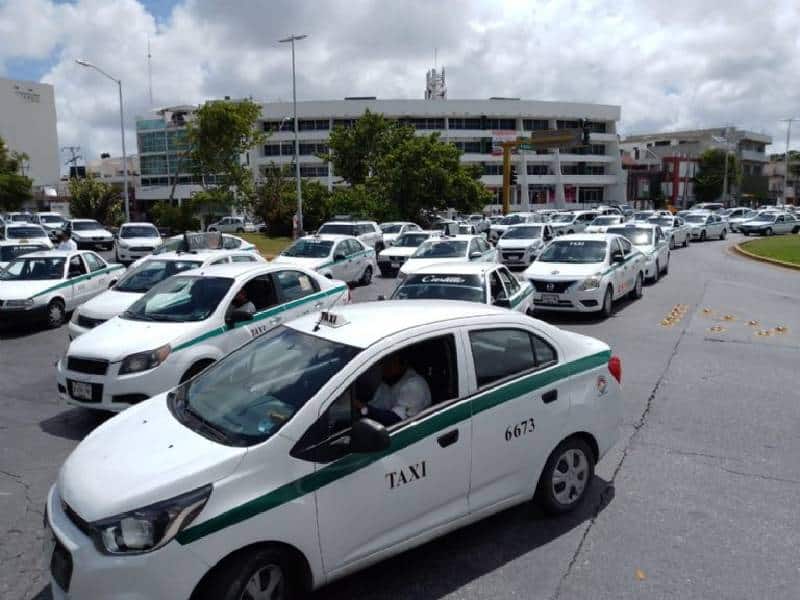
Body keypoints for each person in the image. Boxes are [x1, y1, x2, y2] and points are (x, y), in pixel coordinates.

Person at [354, 353, 431, 426]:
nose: (385, 366)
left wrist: (363, 408)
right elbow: (376, 408)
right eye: (383, 362)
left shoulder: (415, 385)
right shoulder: (386, 383)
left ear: (403, 363)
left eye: (390, 361)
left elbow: (395, 419)